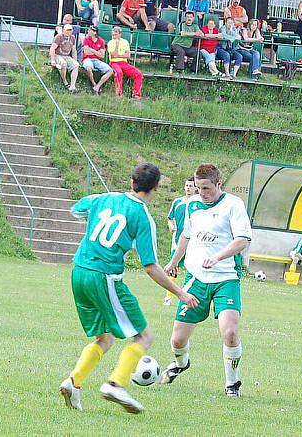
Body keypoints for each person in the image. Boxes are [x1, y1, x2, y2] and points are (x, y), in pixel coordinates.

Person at [59, 163, 198, 414]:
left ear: (131, 181)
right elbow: (151, 267)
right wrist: (180, 293)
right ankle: (116, 384)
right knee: (144, 336)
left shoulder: (104, 198)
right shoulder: (142, 216)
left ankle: (73, 381)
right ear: (155, 188)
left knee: (105, 338)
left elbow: (77, 210)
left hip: (78, 271)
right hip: (105, 277)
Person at [161, 164, 252, 397]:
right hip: (196, 279)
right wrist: (173, 262)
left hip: (226, 278)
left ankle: (232, 383)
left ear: (218, 184)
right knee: (177, 340)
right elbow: (186, 235)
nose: (202, 192)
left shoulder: (233, 205)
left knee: (230, 332)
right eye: (199, 188)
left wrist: (218, 257)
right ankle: (181, 364)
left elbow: (243, 240)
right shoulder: (192, 204)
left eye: (206, 188)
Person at [163, 177, 198, 306]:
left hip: (193, 241)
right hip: (178, 241)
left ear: (196, 188)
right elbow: (170, 218)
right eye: (187, 185)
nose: (188, 187)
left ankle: (187, 293)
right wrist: (171, 225)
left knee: (192, 268)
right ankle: (168, 297)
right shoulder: (178, 202)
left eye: (191, 185)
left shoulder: (197, 204)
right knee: (174, 268)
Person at [107, 26, 143, 99]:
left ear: (120, 34)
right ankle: (118, 94)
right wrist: (117, 46)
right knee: (119, 73)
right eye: (113, 35)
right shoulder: (110, 43)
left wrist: (118, 55)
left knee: (138, 74)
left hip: (124, 63)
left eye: (115, 35)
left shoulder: (125, 42)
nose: (114, 37)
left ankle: (136, 94)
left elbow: (128, 55)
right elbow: (113, 56)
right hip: (114, 63)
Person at [80, 25, 113, 94]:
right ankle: (93, 84)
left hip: (97, 60)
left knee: (110, 70)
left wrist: (92, 50)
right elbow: (86, 52)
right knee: (88, 67)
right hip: (87, 59)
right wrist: (97, 52)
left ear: (94, 32)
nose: (88, 31)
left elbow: (102, 55)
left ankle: (97, 86)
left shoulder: (101, 41)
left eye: (89, 30)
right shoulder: (86, 39)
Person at [49, 24, 79, 92]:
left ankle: (72, 86)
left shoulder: (73, 38)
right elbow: (52, 49)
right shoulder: (58, 37)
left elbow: (74, 50)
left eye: (70, 30)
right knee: (63, 63)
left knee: (76, 65)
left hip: (67, 56)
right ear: (63, 30)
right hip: (58, 55)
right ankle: (64, 81)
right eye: (67, 30)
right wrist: (52, 60)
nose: (69, 32)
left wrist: (75, 60)